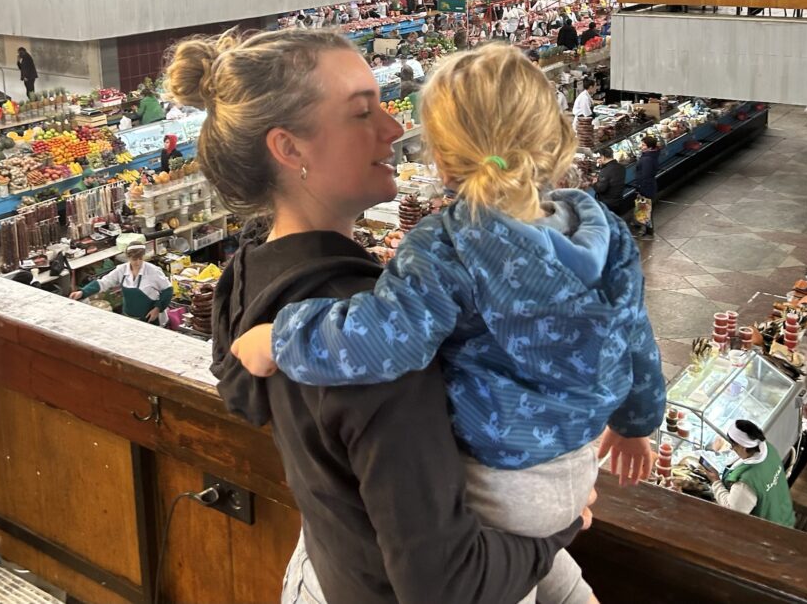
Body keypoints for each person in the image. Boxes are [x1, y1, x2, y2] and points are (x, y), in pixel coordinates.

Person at [231, 43, 665, 604]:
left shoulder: (448, 245)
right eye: (363, 111)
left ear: (441, 155)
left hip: (495, 490)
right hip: (576, 474)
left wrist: (284, 337)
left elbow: (385, 336)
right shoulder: (601, 228)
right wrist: (635, 423)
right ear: (553, 133)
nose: (388, 127)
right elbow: (638, 343)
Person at [702, 420, 796, 528]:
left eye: (733, 445)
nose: (731, 448)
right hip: (783, 515)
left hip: (768, 529)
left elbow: (732, 511)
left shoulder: (747, 482)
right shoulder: (768, 449)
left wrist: (715, 481)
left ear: (744, 447)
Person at [70, 243, 172, 325]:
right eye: (134, 259)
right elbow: (104, 282)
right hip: (129, 318)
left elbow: (168, 290)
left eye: (140, 258)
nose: (137, 262)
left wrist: (157, 308)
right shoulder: (122, 270)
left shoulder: (153, 271)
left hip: (151, 319)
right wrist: (82, 292)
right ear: (128, 257)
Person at [633, 134, 660, 237]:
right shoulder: (651, 155)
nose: (641, 146)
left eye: (643, 145)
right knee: (645, 208)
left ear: (649, 147)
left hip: (646, 187)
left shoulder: (647, 159)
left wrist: (639, 189)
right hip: (650, 186)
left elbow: (645, 176)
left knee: (644, 208)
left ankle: (646, 230)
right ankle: (646, 229)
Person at [592, 147, 626, 215]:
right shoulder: (621, 167)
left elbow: (601, 189)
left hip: (608, 203)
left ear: (603, 157)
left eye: (600, 157)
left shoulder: (605, 171)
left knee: (611, 221)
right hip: (619, 199)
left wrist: (594, 183)